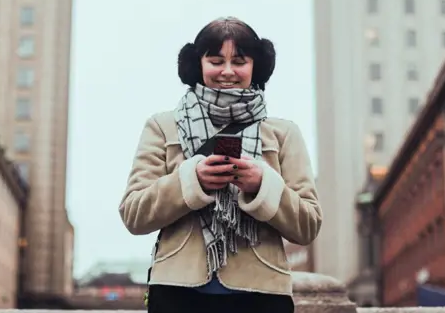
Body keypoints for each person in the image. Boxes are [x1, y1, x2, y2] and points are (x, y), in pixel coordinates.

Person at [119, 17, 322, 313]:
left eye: (239, 61)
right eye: (216, 60)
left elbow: (308, 225)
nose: (227, 71)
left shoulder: (283, 133)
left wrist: (262, 186)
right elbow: (134, 214)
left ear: (256, 67)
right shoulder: (163, 127)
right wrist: (192, 181)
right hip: (177, 293)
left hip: (261, 292)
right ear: (197, 65)